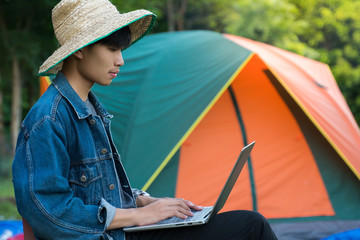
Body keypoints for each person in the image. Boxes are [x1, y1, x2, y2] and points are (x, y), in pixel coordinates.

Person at [12, 0, 278, 239]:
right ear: (80, 49)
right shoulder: (48, 119)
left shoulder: (91, 108)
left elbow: (97, 190)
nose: (121, 61)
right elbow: (48, 212)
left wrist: (144, 201)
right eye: (112, 49)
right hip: (110, 235)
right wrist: (139, 217)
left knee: (250, 224)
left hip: (125, 231)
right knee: (251, 228)